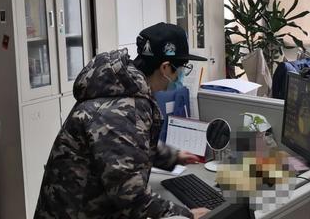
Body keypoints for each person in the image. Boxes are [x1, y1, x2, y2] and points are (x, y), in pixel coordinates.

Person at [34, 23, 211, 219]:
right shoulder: (121, 110)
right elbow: (130, 195)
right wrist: (186, 214)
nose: (182, 75)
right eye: (183, 68)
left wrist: (173, 156)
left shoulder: (126, 90)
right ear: (165, 68)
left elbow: (128, 145)